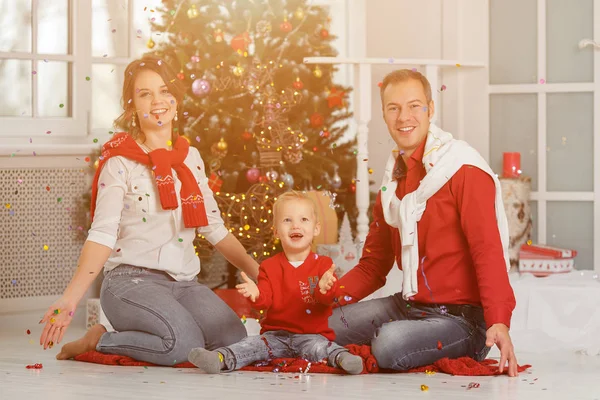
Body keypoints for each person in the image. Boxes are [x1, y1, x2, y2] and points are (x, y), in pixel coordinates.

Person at [38, 55, 260, 366]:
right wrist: (69, 299)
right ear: (132, 106)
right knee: (182, 346)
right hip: (130, 283)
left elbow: (214, 228)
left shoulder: (190, 158)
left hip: (183, 283)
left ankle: (159, 328)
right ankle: (100, 339)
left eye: (165, 90)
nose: (158, 101)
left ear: (177, 99)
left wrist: (260, 275)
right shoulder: (119, 163)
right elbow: (102, 235)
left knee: (233, 340)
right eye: (145, 94)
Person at [329, 69, 519, 376]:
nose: (404, 116)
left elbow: (487, 251)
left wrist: (498, 320)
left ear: (431, 109)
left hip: (463, 319)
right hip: (409, 306)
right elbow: (372, 267)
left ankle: (421, 340)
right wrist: (321, 299)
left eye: (414, 105)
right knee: (322, 324)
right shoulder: (393, 184)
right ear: (384, 114)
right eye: (394, 108)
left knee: (389, 344)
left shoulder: (463, 168)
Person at [187, 191, 364, 375]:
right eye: (287, 220)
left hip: (311, 336)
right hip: (274, 337)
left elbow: (327, 300)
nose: (296, 225)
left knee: (322, 348)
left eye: (304, 219)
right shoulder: (268, 267)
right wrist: (255, 294)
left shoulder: (323, 265)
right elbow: (265, 301)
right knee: (250, 344)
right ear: (276, 231)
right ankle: (219, 358)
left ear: (316, 229)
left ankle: (343, 358)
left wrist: (326, 289)